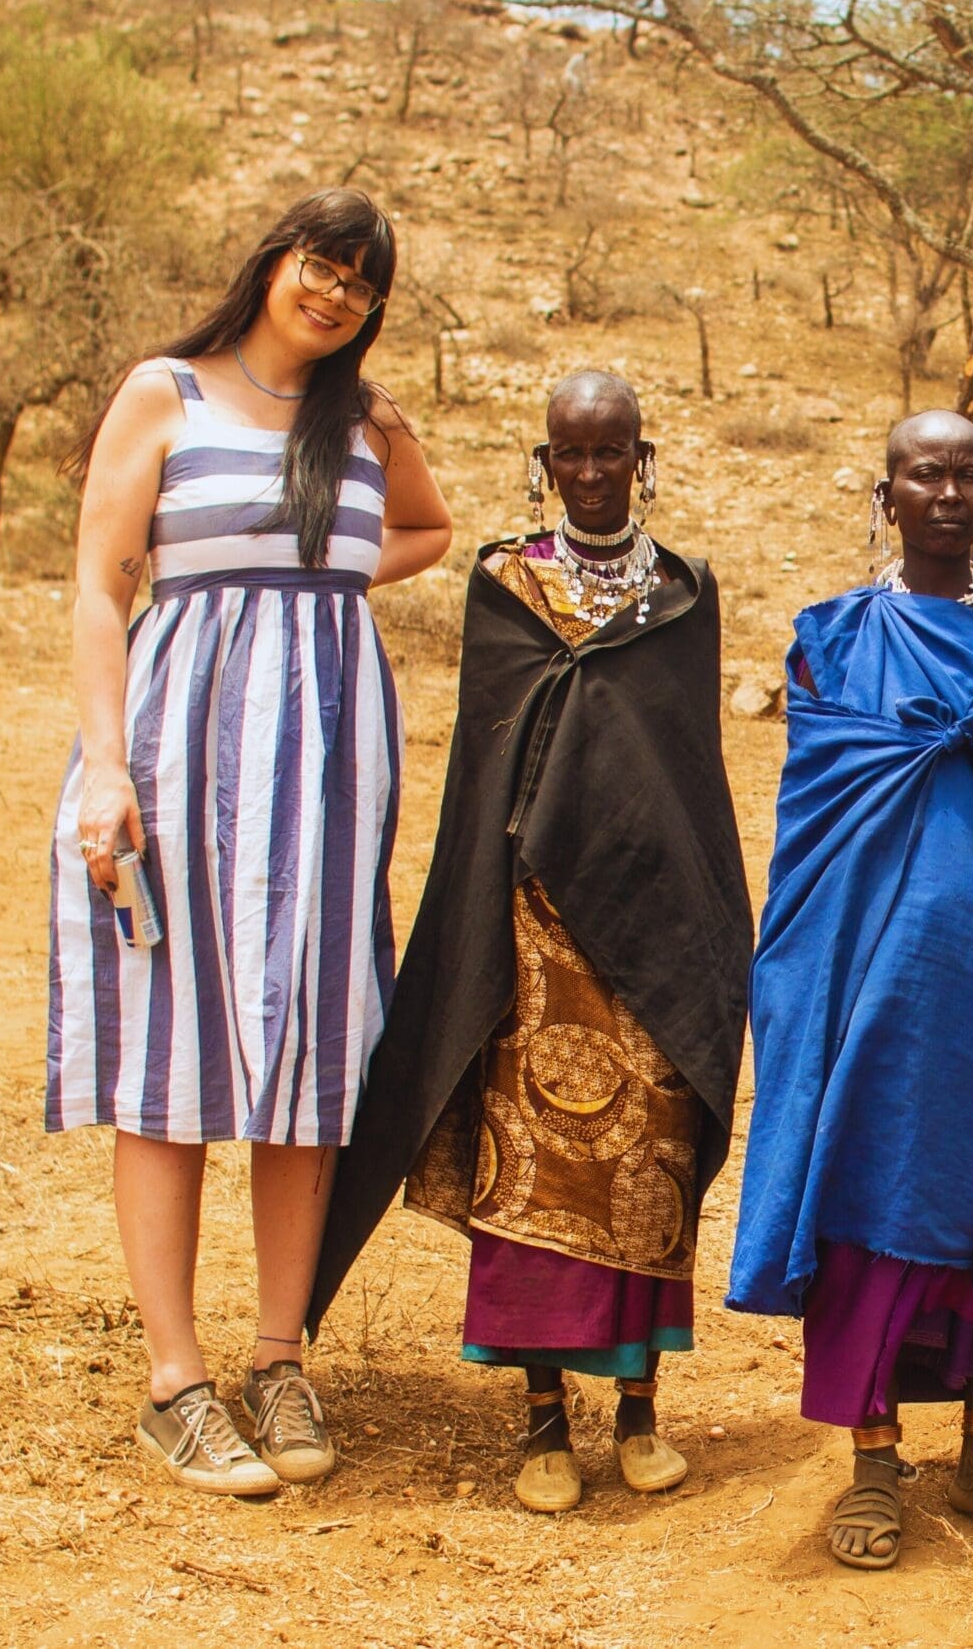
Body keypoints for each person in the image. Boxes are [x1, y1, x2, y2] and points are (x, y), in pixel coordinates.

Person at [47, 187, 453, 1496]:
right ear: (272, 264)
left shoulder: (368, 421)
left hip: (331, 766)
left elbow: (429, 528)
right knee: (170, 1052)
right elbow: (103, 585)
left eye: (361, 285)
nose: (335, 295)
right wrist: (106, 766)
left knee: (310, 1051)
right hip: (183, 752)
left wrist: (321, 583)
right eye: (320, 268)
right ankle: (178, 1378)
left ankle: (282, 1353)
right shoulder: (167, 391)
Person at [308, 371, 752, 1516]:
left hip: (649, 930)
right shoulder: (505, 585)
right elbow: (487, 761)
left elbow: (683, 771)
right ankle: (543, 1418)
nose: (592, 472)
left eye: (613, 453)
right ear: (544, 461)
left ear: (641, 458)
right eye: (572, 453)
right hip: (532, 929)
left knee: (646, 1158)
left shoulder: (684, 592)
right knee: (536, 1164)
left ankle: (644, 1408)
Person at [728, 411, 973, 1571]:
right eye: (924, 474)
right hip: (870, 982)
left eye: (969, 476)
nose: (948, 493)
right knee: (866, 1190)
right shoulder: (835, 637)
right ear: (886, 493)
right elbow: (816, 821)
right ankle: (873, 1457)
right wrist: (805, 981)